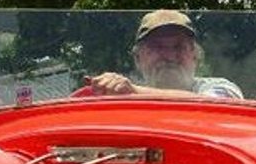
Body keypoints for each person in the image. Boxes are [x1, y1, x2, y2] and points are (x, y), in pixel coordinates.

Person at [86, 9, 243, 99]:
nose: (169, 55)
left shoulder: (221, 87)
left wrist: (133, 92)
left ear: (195, 56)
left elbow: (214, 107)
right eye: (157, 47)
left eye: (179, 46)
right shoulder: (120, 100)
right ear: (138, 59)